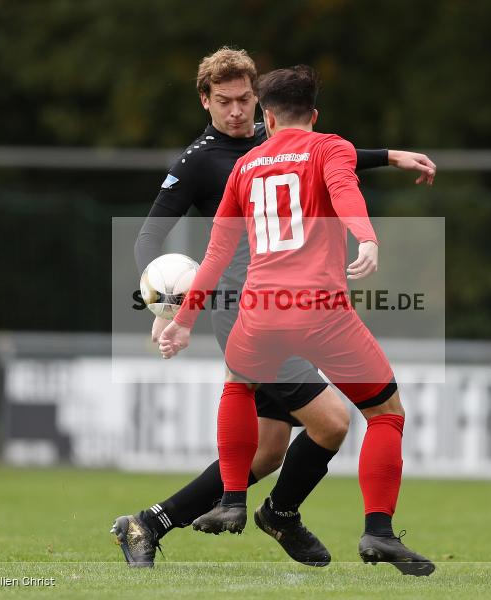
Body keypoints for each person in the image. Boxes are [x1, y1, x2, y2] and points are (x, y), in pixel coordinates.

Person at [112, 47, 435, 570]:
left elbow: (333, 161)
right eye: (225, 102)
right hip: (245, 312)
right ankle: (280, 514)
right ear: (205, 101)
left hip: (269, 315)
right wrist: (163, 303)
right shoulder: (199, 162)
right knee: (331, 422)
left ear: (262, 104)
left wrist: (392, 156)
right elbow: (150, 236)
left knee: (264, 454)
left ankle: (147, 524)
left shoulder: (265, 148)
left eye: (245, 99)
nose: (236, 110)